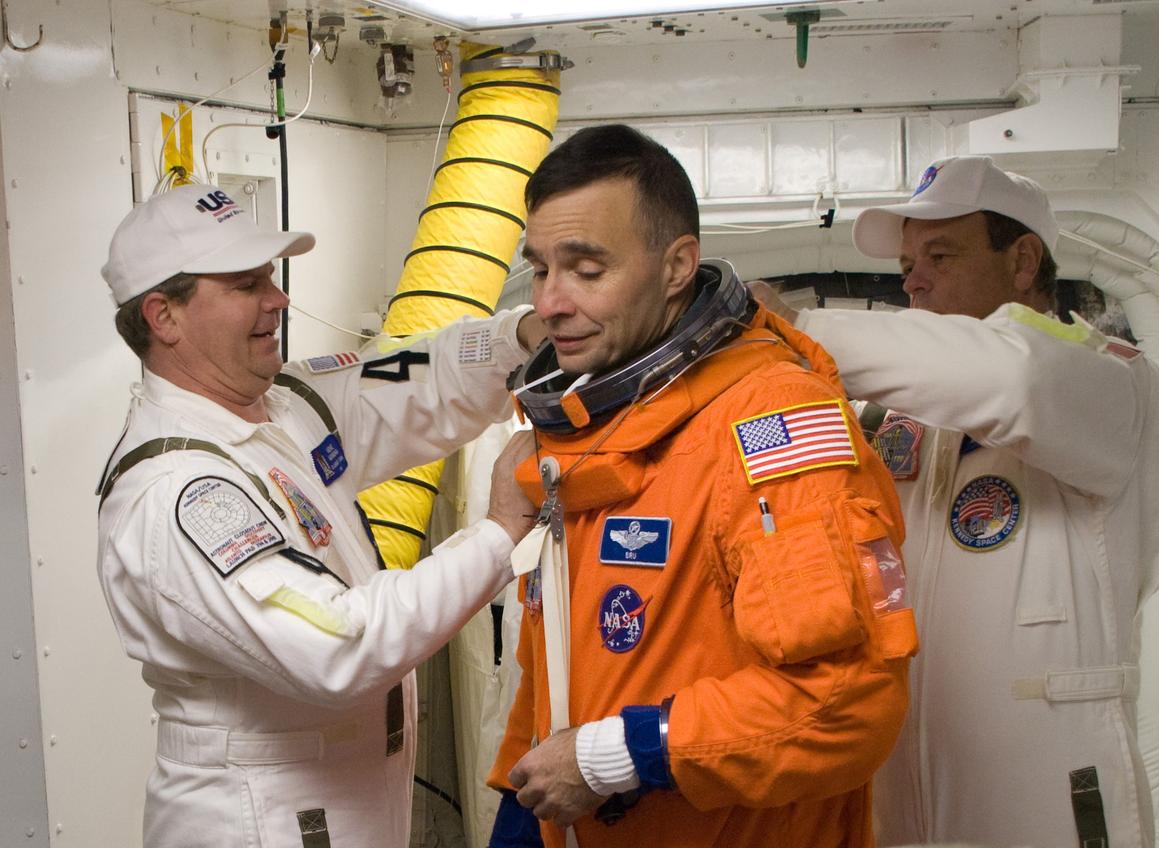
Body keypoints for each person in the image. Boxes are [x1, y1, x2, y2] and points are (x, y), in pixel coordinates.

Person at [485, 124, 915, 848]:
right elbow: (564, 665)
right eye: (541, 269)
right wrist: (520, 813)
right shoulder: (595, 433)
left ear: (678, 265)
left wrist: (614, 756)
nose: (551, 302)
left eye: (586, 270)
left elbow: (846, 702)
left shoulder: (768, 422)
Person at [95, 183, 547, 848]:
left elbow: (421, 377)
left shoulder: (286, 406)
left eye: (271, 278)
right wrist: (501, 530)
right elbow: (342, 646)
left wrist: (526, 334)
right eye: (247, 283)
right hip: (261, 824)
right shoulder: (176, 492)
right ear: (164, 317)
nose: (277, 299)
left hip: (342, 809)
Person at [751, 155, 1159, 848]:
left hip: (1044, 777)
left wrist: (792, 329)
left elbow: (1014, 380)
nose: (914, 278)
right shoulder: (905, 422)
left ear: (1023, 261)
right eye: (906, 265)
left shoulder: (1113, 384)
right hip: (902, 766)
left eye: (940, 254)